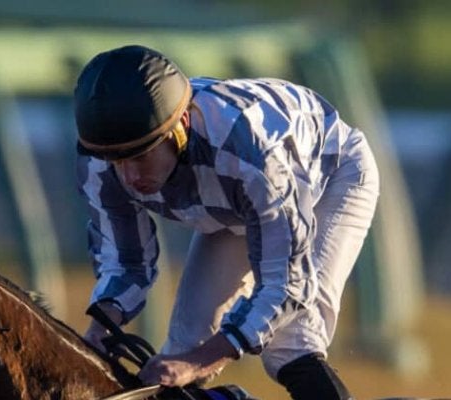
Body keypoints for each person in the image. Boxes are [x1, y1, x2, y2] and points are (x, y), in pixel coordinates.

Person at [74, 45, 379, 400]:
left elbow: (286, 287)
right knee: (181, 350)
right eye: (116, 160)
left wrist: (199, 363)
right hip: (237, 203)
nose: (128, 176)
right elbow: (126, 263)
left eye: (141, 156)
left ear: (180, 128)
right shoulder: (98, 164)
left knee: (291, 344)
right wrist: (99, 330)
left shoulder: (250, 157)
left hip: (331, 174)